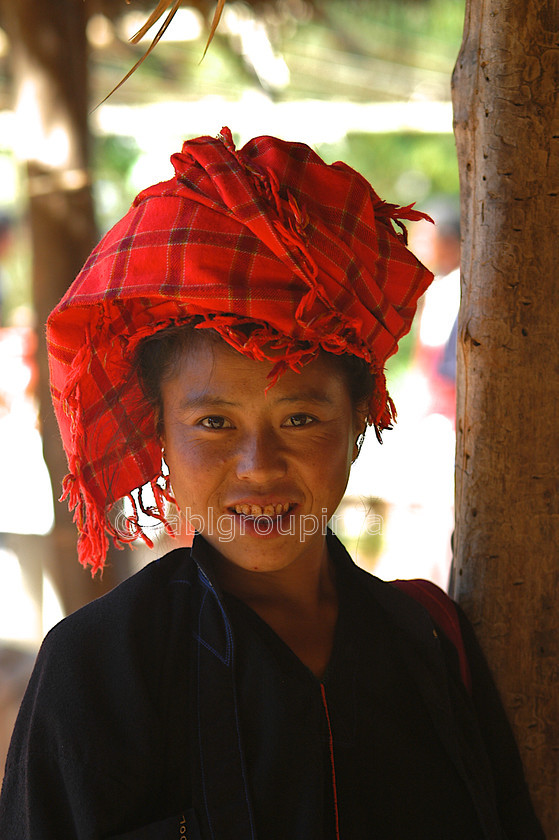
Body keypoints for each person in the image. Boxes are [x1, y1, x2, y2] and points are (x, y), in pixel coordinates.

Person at [0, 128, 544, 839]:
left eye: (298, 417)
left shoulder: (426, 644)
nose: (257, 465)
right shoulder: (101, 668)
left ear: (359, 418)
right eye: (214, 424)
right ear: (159, 431)